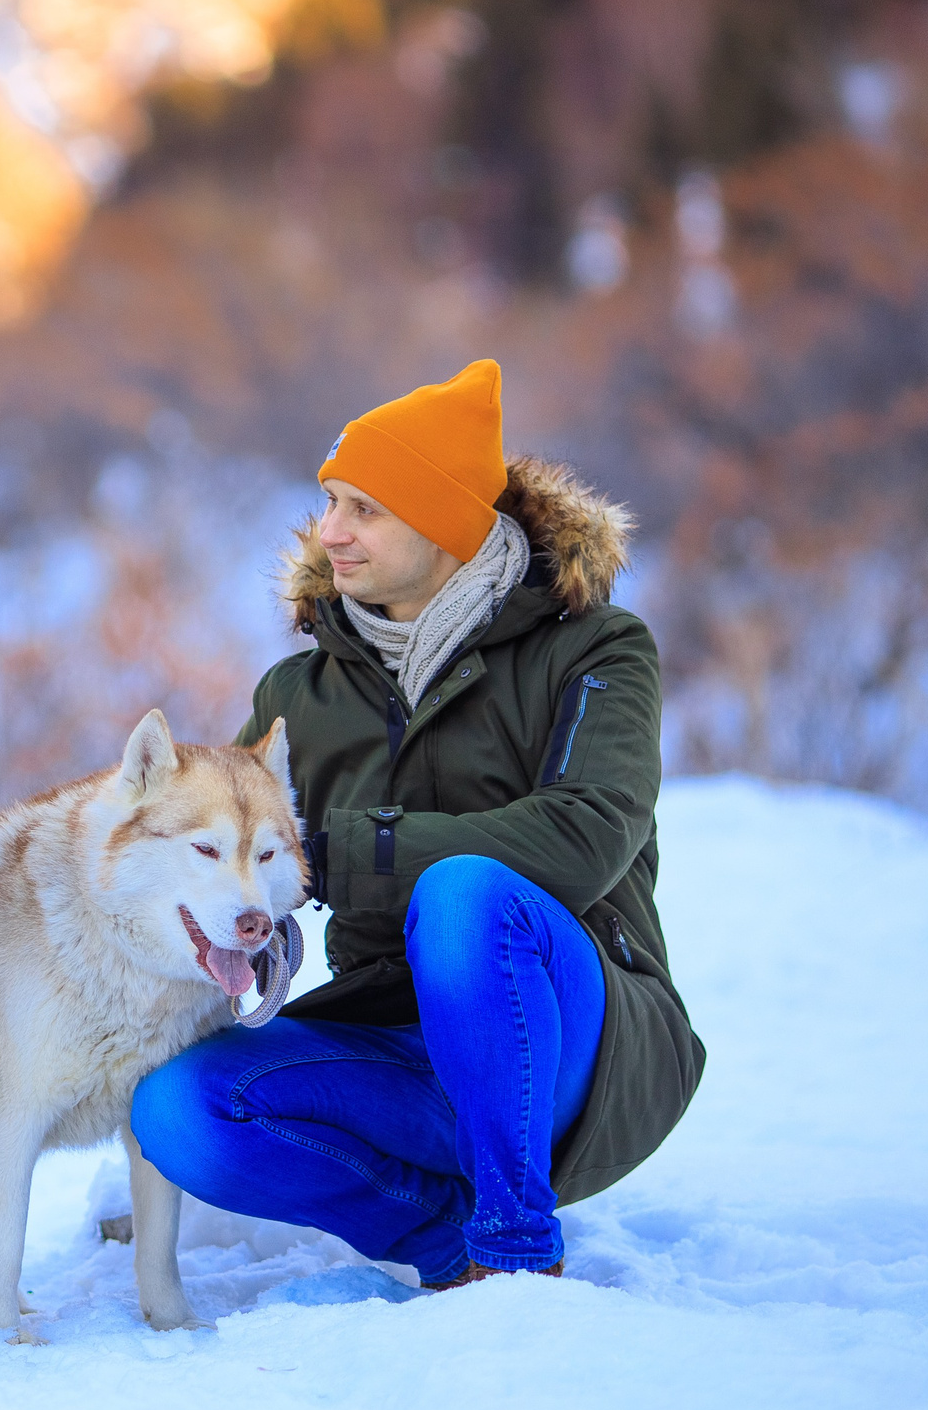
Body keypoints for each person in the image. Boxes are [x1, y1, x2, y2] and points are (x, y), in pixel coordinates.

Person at [130, 359, 703, 1287]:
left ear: (444, 525)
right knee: (181, 1108)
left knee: (466, 893)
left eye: (365, 508)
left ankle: (516, 1251)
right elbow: (222, 859)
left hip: (569, 1045)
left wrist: (342, 852)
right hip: (392, 1050)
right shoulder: (297, 693)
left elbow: (589, 833)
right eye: (330, 502)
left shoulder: (596, 649)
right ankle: (447, 1245)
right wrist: (242, 925)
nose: (331, 532)